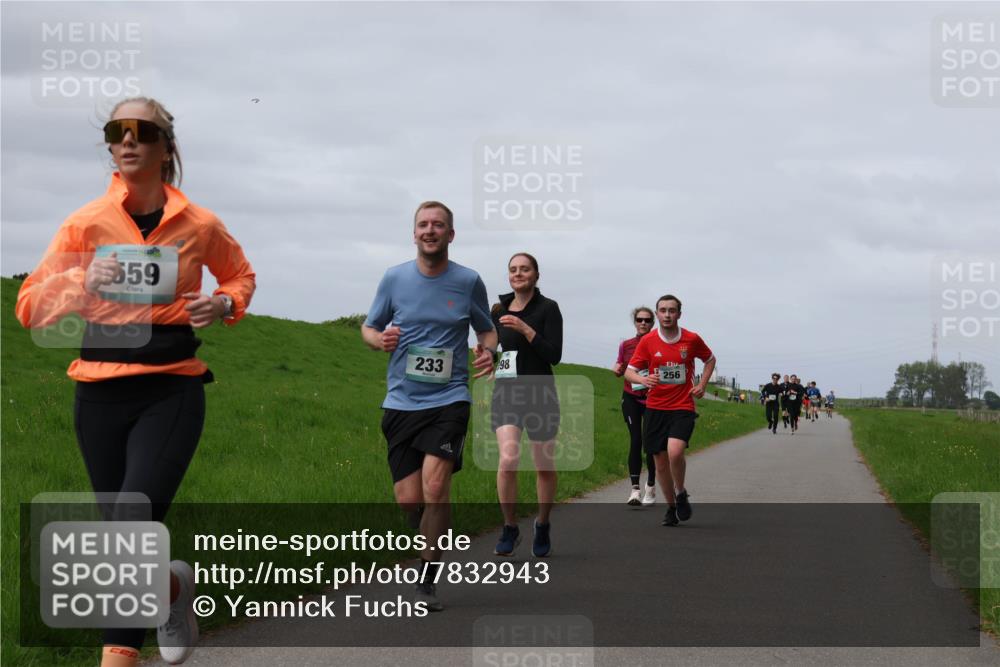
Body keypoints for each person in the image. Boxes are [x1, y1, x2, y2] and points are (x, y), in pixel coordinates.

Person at [15, 97, 256, 667]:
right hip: (97, 394)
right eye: (117, 129)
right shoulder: (84, 224)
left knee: (128, 526)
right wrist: (81, 279)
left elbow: (240, 276)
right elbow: (29, 307)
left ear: (166, 147)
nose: (128, 140)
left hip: (170, 389)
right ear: (109, 144)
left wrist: (224, 303)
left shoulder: (200, 224)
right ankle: (171, 590)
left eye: (142, 131)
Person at [361, 201, 496, 611]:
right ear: (414, 233)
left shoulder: (468, 281)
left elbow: (487, 330)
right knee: (409, 499)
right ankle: (432, 526)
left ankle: (426, 581)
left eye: (438, 225)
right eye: (423, 224)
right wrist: (379, 340)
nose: (430, 230)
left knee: (435, 488)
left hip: (449, 398)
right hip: (401, 401)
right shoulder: (394, 278)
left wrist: (487, 351)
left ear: (450, 234)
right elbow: (369, 327)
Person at [491, 253, 563, 557]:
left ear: (536, 275)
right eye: (513, 269)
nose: (518, 274)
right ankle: (510, 527)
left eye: (524, 269)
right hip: (507, 393)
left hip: (540, 394)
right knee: (508, 459)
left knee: (543, 466)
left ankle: (542, 523)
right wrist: (486, 357)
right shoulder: (498, 310)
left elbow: (554, 355)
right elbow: (494, 348)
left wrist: (526, 329)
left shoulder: (548, 308)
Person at [624, 295, 716, 527]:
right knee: (660, 462)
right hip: (655, 408)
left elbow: (710, 359)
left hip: (682, 406)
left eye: (671, 310)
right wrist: (644, 380)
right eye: (663, 310)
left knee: (675, 452)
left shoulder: (691, 339)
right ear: (657, 314)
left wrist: (702, 384)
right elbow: (629, 371)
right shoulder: (648, 341)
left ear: (679, 314)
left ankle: (680, 491)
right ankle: (672, 507)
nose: (667, 315)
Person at [613, 307, 656, 506]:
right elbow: (619, 367)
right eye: (640, 320)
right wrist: (617, 369)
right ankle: (635, 490)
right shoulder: (626, 345)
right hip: (631, 397)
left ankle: (651, 485)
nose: (643, 323)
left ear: (652, 323)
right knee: (636, 440)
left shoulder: (658, 343)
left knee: (650, 443)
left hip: (653, 399)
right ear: (635, 322)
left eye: (647, 320)